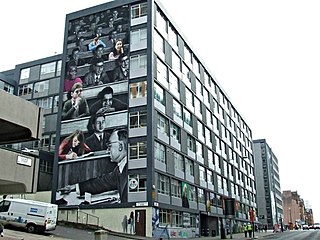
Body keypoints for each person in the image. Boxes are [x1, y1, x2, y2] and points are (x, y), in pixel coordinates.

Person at [59, 128, 128, 203]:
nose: (108, 150)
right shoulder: (120, 169)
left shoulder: (131, 169)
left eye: (110, 145)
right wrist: (75, 187)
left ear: (120, 146)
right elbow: (101, 183)